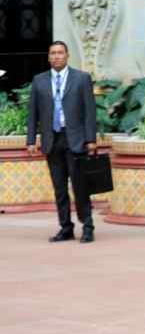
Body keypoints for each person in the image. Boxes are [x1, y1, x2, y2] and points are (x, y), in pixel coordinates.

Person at [26, 41, 97, 244]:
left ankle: (88, 226)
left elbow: (89, 112)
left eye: (60, 53)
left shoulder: (81, 78)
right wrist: (31, 140)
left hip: (75, 140)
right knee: (59, 188)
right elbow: (33, 114)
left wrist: (90, 139)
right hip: (52, 140)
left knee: (80, 186)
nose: (56, 56)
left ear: (67, 56)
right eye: (53, 53)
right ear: (48, 57)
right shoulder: (39, 81)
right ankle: (66, 227)